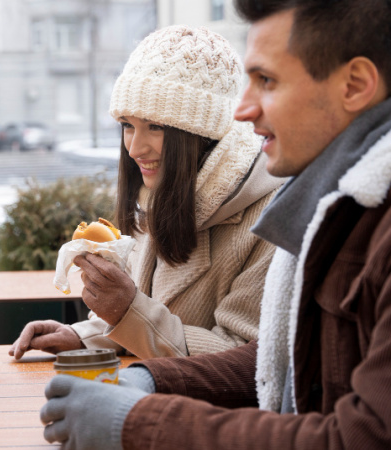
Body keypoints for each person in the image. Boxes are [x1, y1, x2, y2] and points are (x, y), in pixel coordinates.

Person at [40, 0, 391, 448]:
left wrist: (142, 420)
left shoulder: (319, 216)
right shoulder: (336, 206)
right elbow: (269, 363)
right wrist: (144, 376)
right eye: (127, 126)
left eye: (266, 81)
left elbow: (363, 437)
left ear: (355, 85)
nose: (241, 111)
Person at [11, 25, 284, 360]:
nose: (135, 148)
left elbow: (241, 359)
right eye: (128, 125)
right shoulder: (158, 191)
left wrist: (126, 309)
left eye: (155, 126)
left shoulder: (272, 216)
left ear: (201, 133)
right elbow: (147, 318)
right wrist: (82, 336)